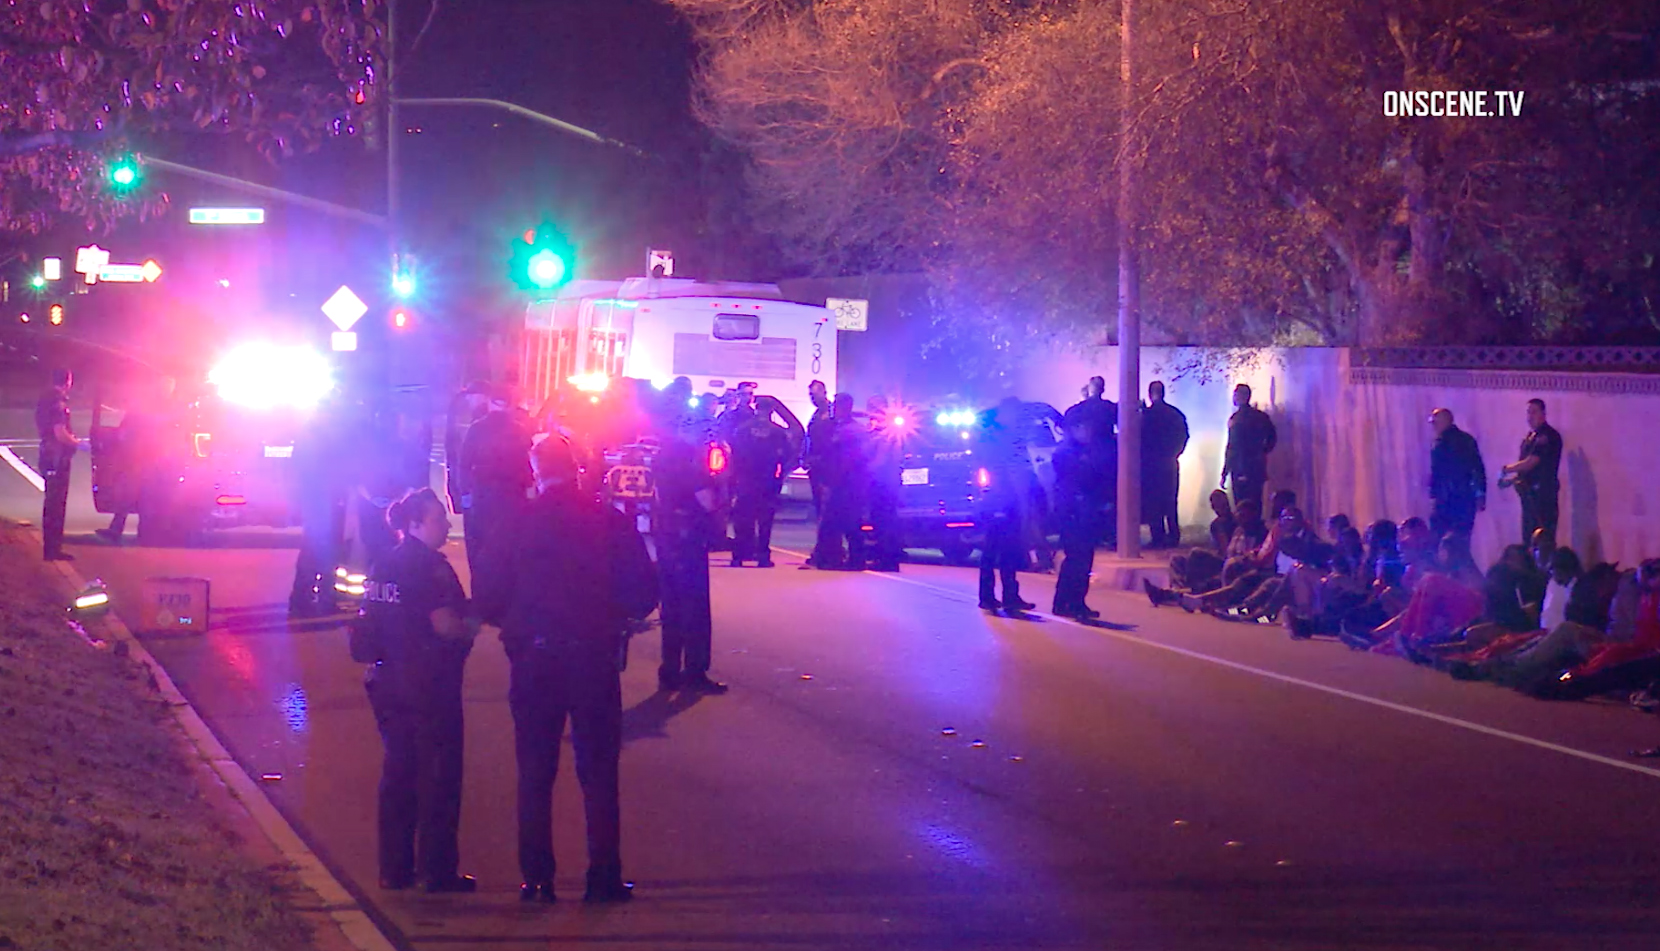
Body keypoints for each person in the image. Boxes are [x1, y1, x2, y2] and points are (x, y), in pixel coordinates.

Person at [475, 437, 658, 905]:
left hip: (534, 659)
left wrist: (520, 620)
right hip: (593, 657)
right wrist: (613, 613)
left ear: (536, 471)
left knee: (535, 771)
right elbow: (643, 591)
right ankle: (603, 875)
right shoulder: (608, 520)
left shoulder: (515, 522)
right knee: (598, 771)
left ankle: (536, 879)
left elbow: (489, 595)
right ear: (576, 469)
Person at [353, 488, 477, 894]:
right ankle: (437, 872)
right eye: (439, 518)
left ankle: (395, 869)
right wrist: (469, 628)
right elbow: (444, 625)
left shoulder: (382, 564)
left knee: (398, 775)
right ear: (416, 523)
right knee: (438, 780)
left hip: (387, 684)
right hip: (429, 686)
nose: (446, 524)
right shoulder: (432, 569)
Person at [652, 403, 728, 695]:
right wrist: (721, 493)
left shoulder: (662, 456)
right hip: (688, 539)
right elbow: (706, 500)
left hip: (667, 534)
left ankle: (669, 669)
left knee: (671, 607)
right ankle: (695, 672)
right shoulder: (688, 460)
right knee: (695, 607)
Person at [458, 386, 533, 571]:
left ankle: (481, 591)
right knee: (509, 553)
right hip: (513, 498)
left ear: (490, 404)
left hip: (483, 497)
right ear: (511, 406)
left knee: (480, 550)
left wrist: (466, 495)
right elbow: (529, 465)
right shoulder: (520, 431)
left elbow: (464, 463)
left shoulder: (476, 428)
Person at [96, 377, 178, 545]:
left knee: (131, 496)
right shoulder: (171, 408)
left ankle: (121, 531)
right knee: (145, 497)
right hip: (153, 459)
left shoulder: (143, 407)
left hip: (139, 458)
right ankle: (144, 534)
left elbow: (124, 432)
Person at [290, 396, 349, 616]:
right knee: (323, 551)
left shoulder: (311, 434)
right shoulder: (321, 436)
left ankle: (304, 599)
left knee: (315, 550)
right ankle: (318, 599)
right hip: (324, 500)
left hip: (319, 500)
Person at [977, 399, 1036, 613]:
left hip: (1010, 500)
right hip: (997, 502)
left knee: (1010, 550)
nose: (1017, 416)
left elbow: (1021, 469)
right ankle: (987, 597)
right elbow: (993, 471)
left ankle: (1010, 596)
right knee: (992, 550)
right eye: (1015, 412)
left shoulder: (1012, 437)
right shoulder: (994, 439)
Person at [1051, 416, 1109, 618]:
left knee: (1084, 558)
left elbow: (1097, 480)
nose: (1087, 431)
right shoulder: (1064, 453)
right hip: (1072, 513)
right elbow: (1073, 481)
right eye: (1083, 426)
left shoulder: (1085, 451)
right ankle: (1067, 602)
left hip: (1084, 512)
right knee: (1076, 558)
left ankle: (1076, 602)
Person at [728, 398, 794, 568]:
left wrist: (733, 477)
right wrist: (780, 475)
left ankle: (739, 556)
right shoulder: (778, 432)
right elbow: (787, 456)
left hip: (745, 479)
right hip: (767, 480)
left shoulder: (742, 430)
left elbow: (733, 454)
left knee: (742, 519)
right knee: (765, 520)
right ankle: (763, 556)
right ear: (771, 411)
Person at [1427, 407, 1487, 573]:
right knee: (1459, 542)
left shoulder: (1447, 443)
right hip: (1461, 500)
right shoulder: (1460, 440)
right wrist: (1479, 495)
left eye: (1435, 422)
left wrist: (1434, 495)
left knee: (1450, 543)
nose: (1433, 426)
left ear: (1445, 421)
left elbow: (1475, 468)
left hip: (1451, 501)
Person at [811, 394, 867, 570]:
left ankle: (846, 559)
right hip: (846, 481)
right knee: (846, 521)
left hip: (846, 482)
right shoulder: (847, 428)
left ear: (845, 407)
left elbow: (839, 455)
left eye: (837, 405)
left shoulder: (850, 430)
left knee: (840, 521)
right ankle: (846, 559)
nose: (834, 409)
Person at [1500, 398, 1563, 547]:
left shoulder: (1547, 436)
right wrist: (1511, 480)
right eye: (1528, 412)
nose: (1530, 416)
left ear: (1543, 414)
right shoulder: (1530, 437)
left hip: (1542, 495)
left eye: (1534, 412)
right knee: (1528, 538)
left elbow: (1531, 462)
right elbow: (1525, 469)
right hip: (1528, 495)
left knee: (1542, 538)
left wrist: (1507, 469)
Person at [36, 368, 80, 561]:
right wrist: (79, 443)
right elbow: (60, 432)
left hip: (46, 454)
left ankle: (50, 548)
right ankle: (53, 550)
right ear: (67, 381)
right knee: (56, 505)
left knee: (50, 503)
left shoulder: (44, 398)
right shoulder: (58, 402)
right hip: (57, 458)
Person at [1140, 381, 1189, 548]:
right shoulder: (1175, 414)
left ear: (1149, 394)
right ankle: (1174, 536)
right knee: (1170, 500)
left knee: (1154, 501)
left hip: (1151, 465)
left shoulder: (1147, 415)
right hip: (1169, 463)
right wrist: (1175, 453)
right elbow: (1184, 436)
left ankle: (1158, 537)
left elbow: (1139, 438)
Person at [863, 395, 904, 572]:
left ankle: (886, 559)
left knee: (884, 520)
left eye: (874, 407)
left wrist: (864, 471)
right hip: (885, 482)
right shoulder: (875, 429)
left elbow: (880, 459)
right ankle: (886, 557)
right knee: (882, 521)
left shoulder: (887, 431)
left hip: (884, 482)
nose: (871, 411)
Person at [1221, 384, 1276, 513]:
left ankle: (1245, 531)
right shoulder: (1261, 417)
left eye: (1236, 394)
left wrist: (1225, 471)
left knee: (1241, 505)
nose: (1233, 397)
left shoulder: (1236, 419)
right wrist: (1261, 454)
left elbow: (1232, 447)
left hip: (1240, 467)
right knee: (1256, 503)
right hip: (1256, 467)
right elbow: (1271, 439)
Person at [803, 380, 833, 521]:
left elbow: (831, 441)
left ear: (824, 392)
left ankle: (828, 541)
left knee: (827, 507)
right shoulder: (817, 414)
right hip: (815, 466)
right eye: (810, 395)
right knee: (819, 504)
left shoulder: (831, 413)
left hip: (827, 467)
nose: (812, 398)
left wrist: (820, 458)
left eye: (814, 394)